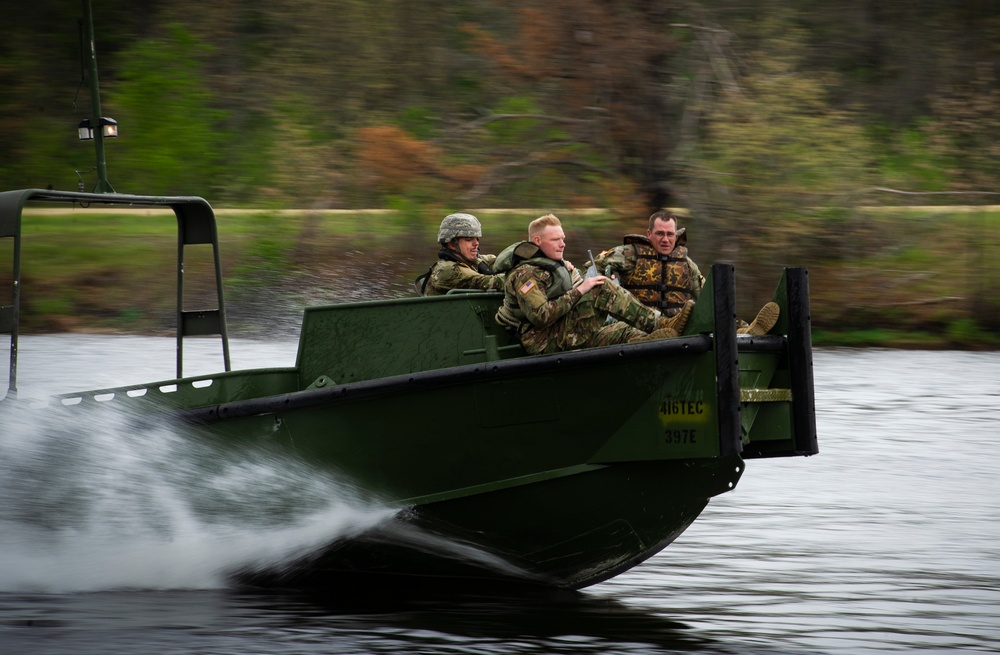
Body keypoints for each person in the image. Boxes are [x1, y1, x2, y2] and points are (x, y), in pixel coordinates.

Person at [493, 214, 693, 355]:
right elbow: (541, 316)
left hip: (561, 331)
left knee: (623, 331)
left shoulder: (552, 265)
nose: (563, 244)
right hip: (543, 341)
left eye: (563, 239)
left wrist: (577, 279)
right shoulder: (525, 275)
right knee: (600, 288)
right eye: (556, 240)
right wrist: (580, 290)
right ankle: (660, 323)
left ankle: (657, 341)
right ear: (537, 241)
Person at [592, 210, 779, 336]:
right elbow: (591, 269)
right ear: (649, 234)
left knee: (715, 310)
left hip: (680, 330)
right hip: (640, 329)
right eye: (659, 234)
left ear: (676, 235)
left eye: (670, 234)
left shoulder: (687, 265)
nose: (665, 239)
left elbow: (707, 298)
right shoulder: (628, 254)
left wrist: (729, 318)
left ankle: (744, 332)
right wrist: (609, 277)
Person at [415, 213, 505, 296]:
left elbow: (501, 260)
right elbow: (495, 283)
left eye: (477, 238)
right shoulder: (449, 271)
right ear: (452, 244)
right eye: (469, 239)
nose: (476, 243)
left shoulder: (469, 260)